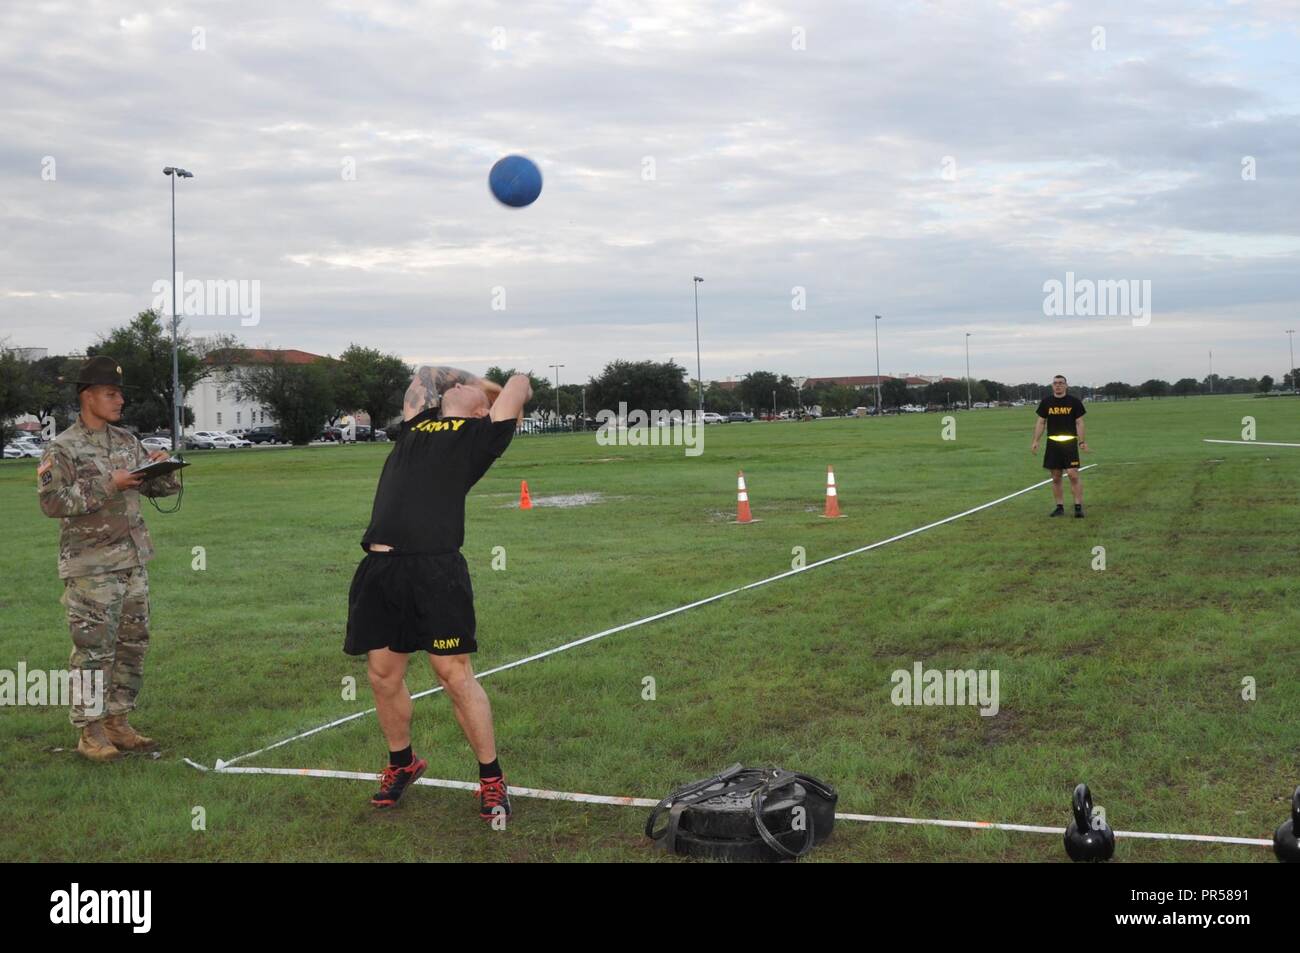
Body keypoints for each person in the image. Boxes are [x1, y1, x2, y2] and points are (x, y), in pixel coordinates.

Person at [345, 366, 531, 818]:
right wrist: (462, 382)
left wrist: (487, 384)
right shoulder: (416, 424)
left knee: (453, 674)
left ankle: (492, 779)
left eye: (465, 387)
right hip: (381, 567)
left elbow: (521, 383)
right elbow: (425, 373)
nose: (455, 385)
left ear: (482, 405)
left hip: (435, 570)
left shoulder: (481, 436)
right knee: (382, 675)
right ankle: (402, 764)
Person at [37, 356, 181, 761]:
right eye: (110, 393)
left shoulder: (125, 441)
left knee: (133, 643)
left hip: (131, 560)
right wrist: (109, 484)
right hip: (91, 567)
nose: (119, 400)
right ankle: (90, 730)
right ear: (88, 397)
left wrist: (162, 470)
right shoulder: (62, 447)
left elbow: (156, 491)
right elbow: (51, 502)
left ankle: (118, 720)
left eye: (120, 393)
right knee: (92, 650)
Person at [1030, 374, 1088, 517]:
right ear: (1052, 386)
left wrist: (1081, 441)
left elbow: (1079, 422)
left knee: (1073, 474)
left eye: (1061, 383)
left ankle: (1078, 507)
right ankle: (1059, 507)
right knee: (1056, 477)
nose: (1058, 385)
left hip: (1069, 444)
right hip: (1053, 444)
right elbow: (1041, 422)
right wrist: (1036, 440)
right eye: (1055, 383)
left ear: (1066, 385)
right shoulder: (1046, 402)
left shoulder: (1074, 402)